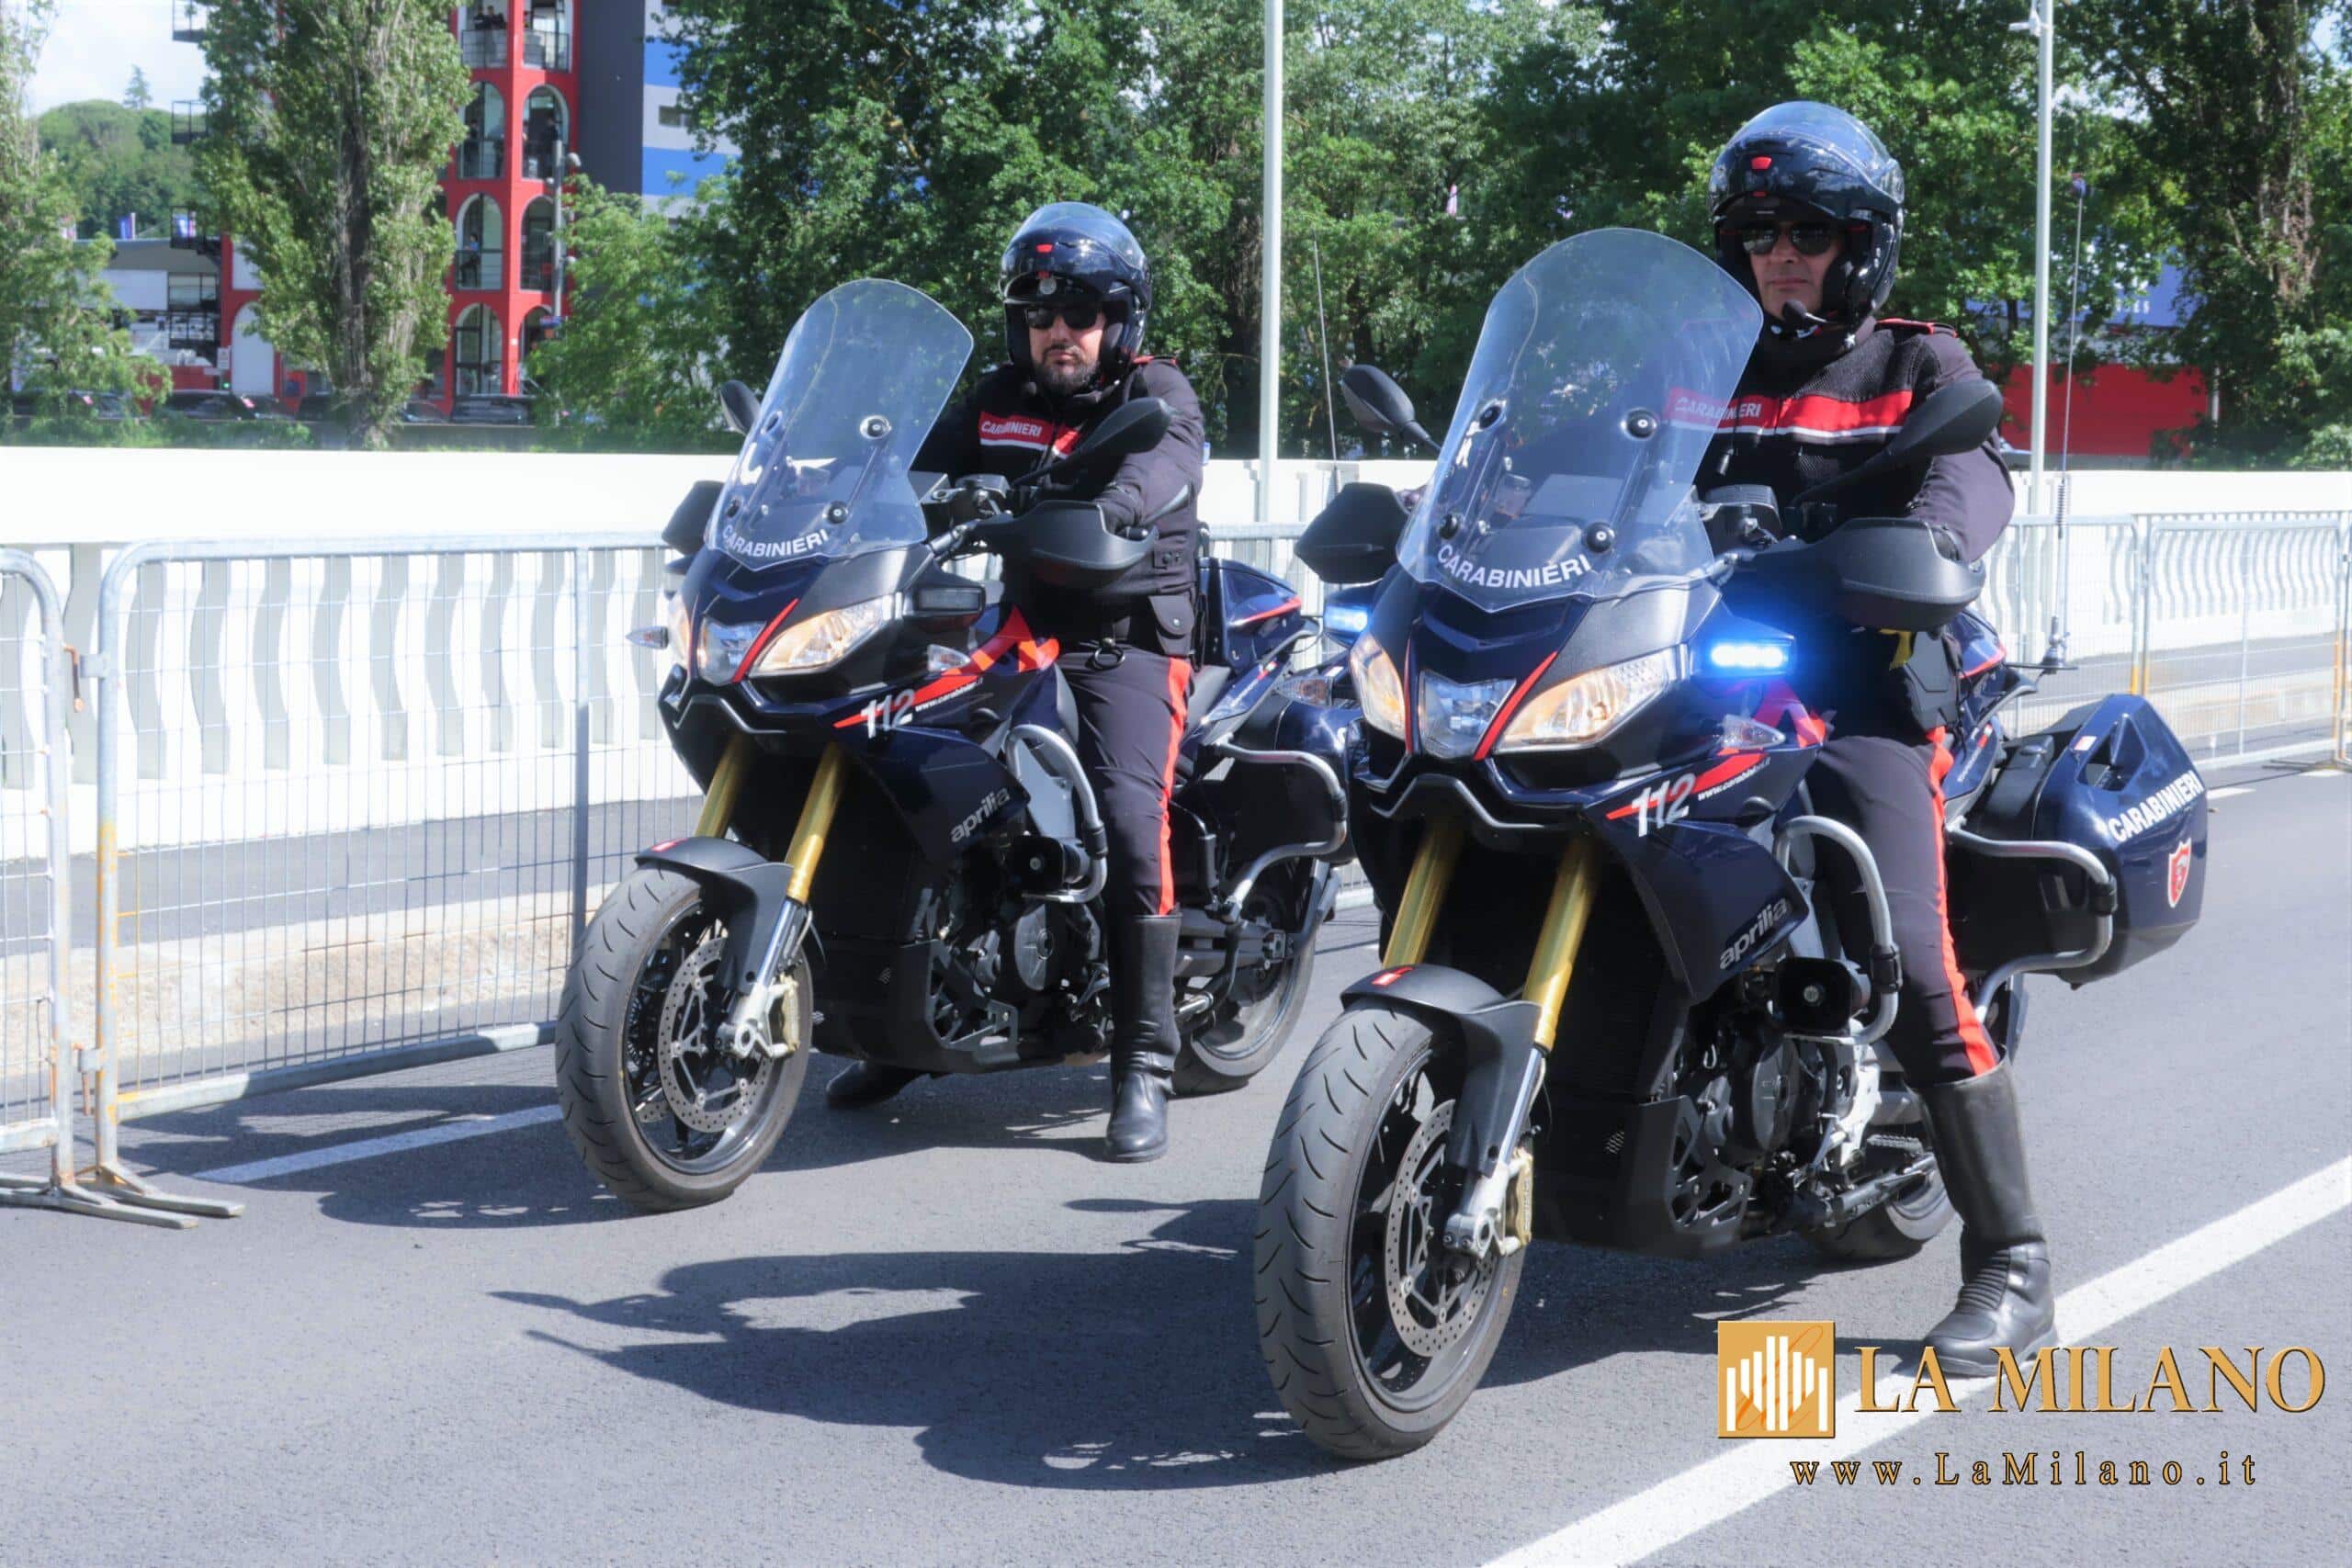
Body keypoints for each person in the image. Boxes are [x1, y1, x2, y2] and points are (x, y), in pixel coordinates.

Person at [1701, 103, 2052, 1375]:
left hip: (1867, 682)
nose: (1781, 252)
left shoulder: (1915, 364)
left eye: (1809, 229)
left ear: (1862, 244)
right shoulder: (1703, 364)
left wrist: (1940, 546)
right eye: (1757, 231)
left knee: (1905, 947)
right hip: (1701, 684)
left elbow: (1976, 475)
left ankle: (2013, 1261)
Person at [822, 202, 1207, 1165]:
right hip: (1020, 633)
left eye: (1079, 312)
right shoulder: (998, 397)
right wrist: (826, 470)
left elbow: (1159, 471)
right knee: (912, 782)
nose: (1058, 331)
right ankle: (905, 1030)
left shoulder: (1158, 394)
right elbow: (906, 466)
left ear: (1117, 322)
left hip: (1126, 645)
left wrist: (1099, 501)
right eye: (1039, 314)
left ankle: (1143, 1065)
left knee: (1127, 823)